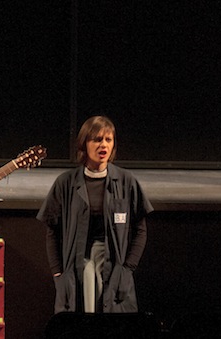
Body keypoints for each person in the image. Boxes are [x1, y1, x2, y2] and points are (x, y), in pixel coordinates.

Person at [37, 116, 152, 315]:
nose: (103, 145)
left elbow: (140, 230)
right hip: (78, 262)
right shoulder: (66, 183)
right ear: (84, 144)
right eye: (97, 140)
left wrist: (127, 269)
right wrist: (58, 273)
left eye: (108, 139)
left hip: (113, 267)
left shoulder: (126, 181)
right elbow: (52, 233)